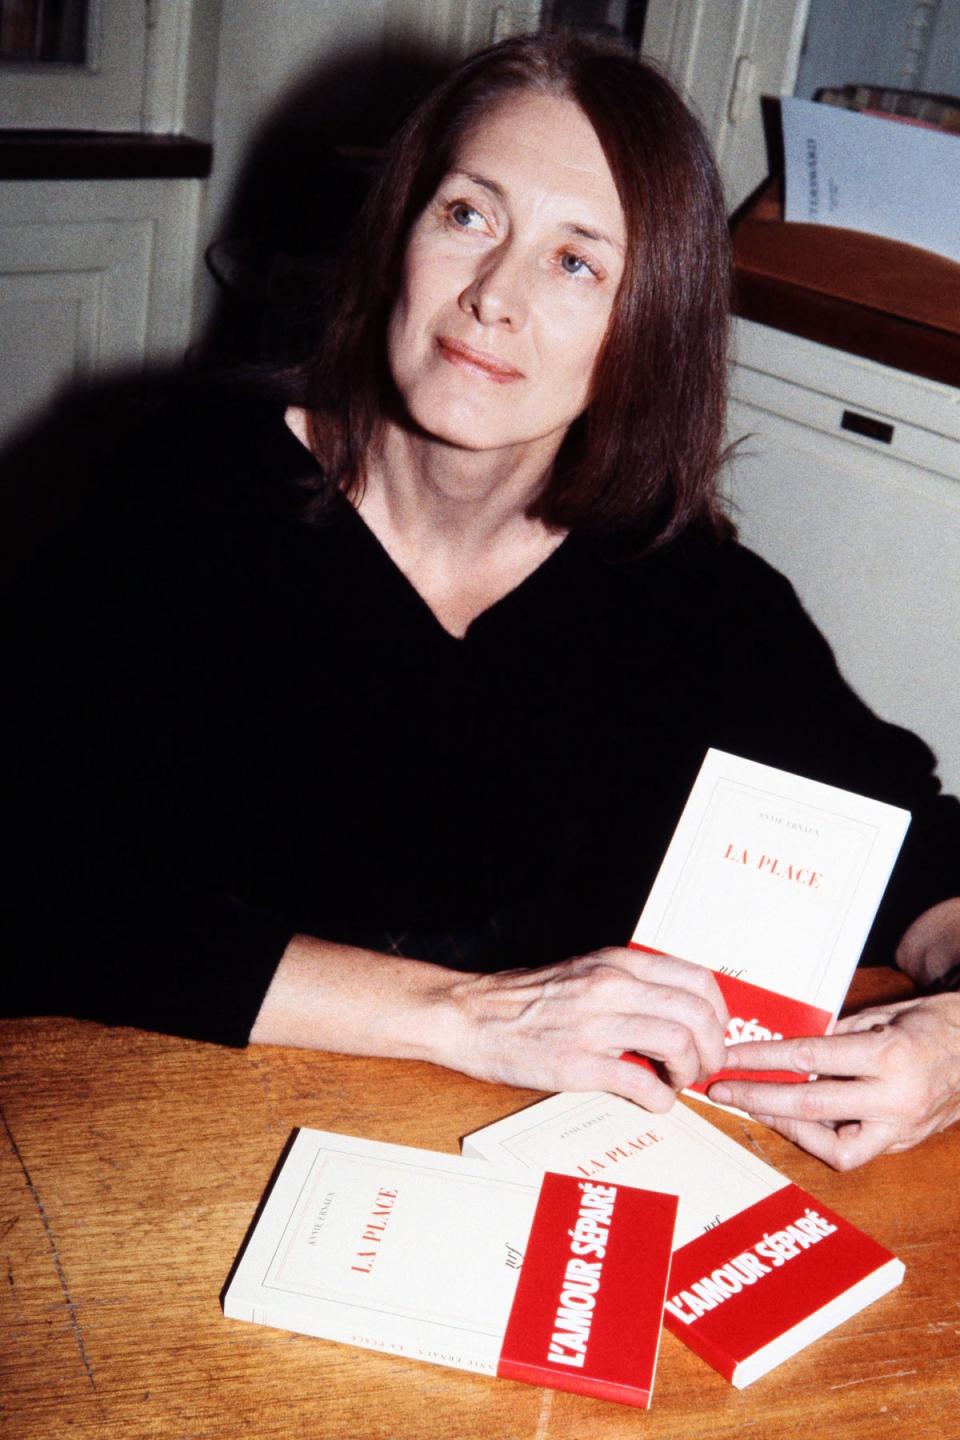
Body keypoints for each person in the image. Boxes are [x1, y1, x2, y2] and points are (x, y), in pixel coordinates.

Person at [3, 34, 959, 1168]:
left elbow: (916, 854)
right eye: (469, 215)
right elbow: (35, 885)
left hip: (492, 1168)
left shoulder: (687, 592)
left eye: (576, 263)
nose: (495, 296)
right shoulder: (190, 491)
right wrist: (466, 1015)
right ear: (398, 233)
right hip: (164, 1134)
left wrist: (951, 1043)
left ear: (645, 328)